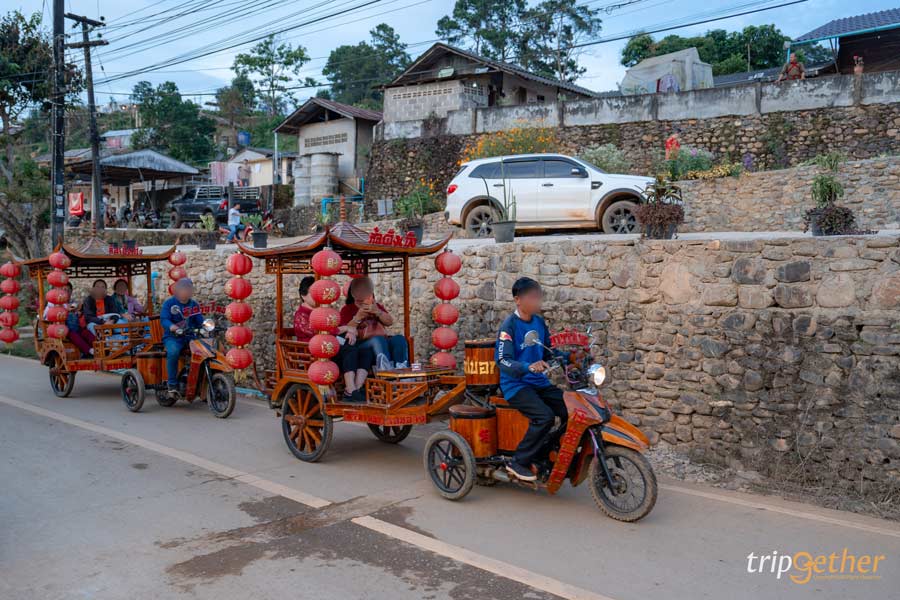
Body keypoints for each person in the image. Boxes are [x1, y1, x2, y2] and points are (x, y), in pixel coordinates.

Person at [494, 277, 567, 482]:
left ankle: (545, 452)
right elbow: (502, 361)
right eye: (533, 297)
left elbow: (548, 351)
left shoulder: (538, 322)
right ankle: (518, 461)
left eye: (539, 296)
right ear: (518, 300)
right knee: (545, 416)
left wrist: (570, 358)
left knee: (571, 409)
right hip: (516, 385)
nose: (538, 301)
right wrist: (528, 367)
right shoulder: (509, 326)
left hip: (539, 383)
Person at [294, 276, 373, 402]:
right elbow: (321, 331)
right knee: (349, 349)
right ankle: (350, 389)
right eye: (313, 293)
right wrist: (346, 328)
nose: (317, 296)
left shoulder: (323, 312)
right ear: (303, 295)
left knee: (365, 351)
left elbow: (335, 327)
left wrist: (349, 332)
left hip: (331, 348)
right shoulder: (301, 315)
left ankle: (355, 389)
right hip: (314, 354)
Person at [340, 277, 408, 370]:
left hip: (383, 339)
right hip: (361, 343)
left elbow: (389, 322)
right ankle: (385, 371)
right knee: (377, 340)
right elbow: (344, 330)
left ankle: (402, 369)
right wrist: (358, 317)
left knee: (399, 339)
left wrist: (378, 312)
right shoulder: (347, 309)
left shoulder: (376, 306)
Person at [160, 278, 204, 394]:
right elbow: (164, 320)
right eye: (184, 288)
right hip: (173, 337)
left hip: (190, 336)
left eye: (189, 289)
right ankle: (172, 384)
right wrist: (173, 327)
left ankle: (202, 382)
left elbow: (199, 320)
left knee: (205, 351)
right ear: (178, 290)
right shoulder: (169, 303)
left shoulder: (194, 304)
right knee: (173, 352)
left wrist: (206, 326)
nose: (187, 291)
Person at [43, 282, 95, 357]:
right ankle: (89, 350)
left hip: (74, 327)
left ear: (71, 292)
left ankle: (98, 348)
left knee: (86, 332)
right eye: (64, 290)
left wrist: (77, 312)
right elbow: (46, 316)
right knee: (73, 335)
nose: (66, 292)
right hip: (61, 329)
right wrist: (63, 311)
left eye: (68, 290)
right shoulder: (52, 303)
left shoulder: (72, 303)